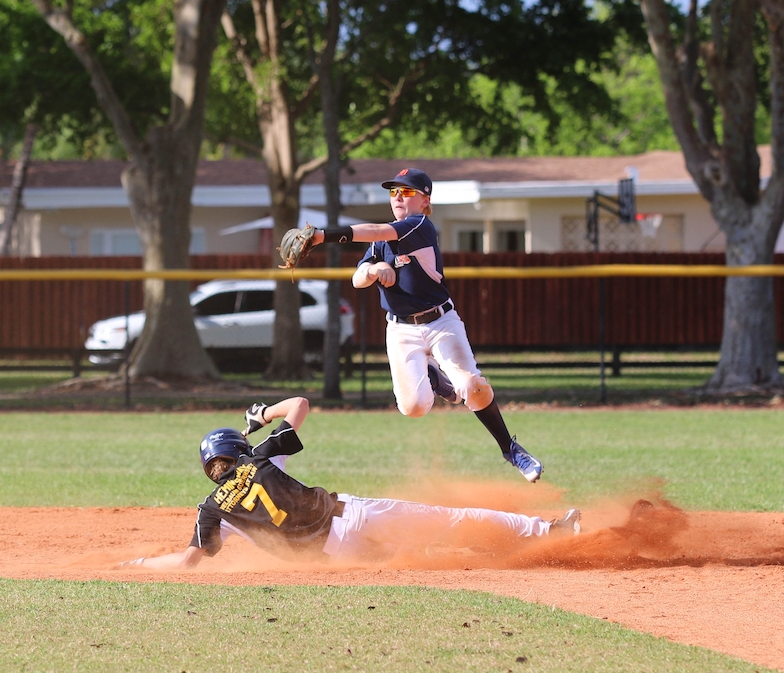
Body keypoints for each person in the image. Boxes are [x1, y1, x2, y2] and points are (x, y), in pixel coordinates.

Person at [119, 397, 580, 569]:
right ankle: (546, 534)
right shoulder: (258, 457)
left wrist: (139, 563)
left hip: (335, 557)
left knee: (425, 553)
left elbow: (187, 563)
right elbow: (299, 403)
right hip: (351, 515)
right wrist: (260, 417)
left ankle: (511, 551)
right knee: (446, 521)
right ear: (236, 450)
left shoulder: (210, 509)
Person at [304, 167, 544, 483]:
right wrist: (375, 268)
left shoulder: (419, 226)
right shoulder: (381, 244)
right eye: (393, 192)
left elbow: (376, 231)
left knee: (471, 385)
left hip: (441, 321)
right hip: (401, 330)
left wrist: (323, 236)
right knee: (414, 407)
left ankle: (510, 449)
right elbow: (357, 278)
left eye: (406, 191)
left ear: (424, 199)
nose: (398, 197)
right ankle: (433, 377)